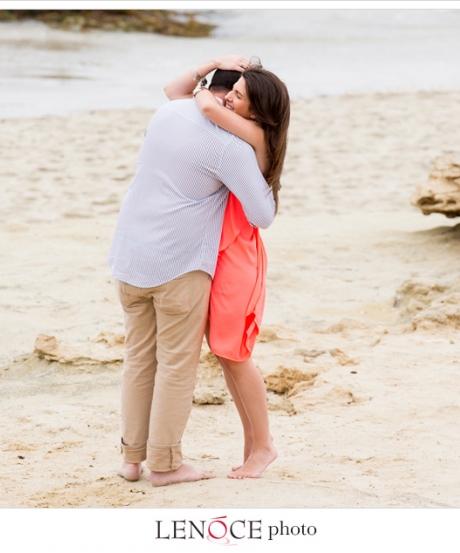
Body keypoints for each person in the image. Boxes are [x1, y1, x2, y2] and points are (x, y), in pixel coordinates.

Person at [108, 55, 277, 487]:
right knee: (175, 366)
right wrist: (260, 152)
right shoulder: (230, 148)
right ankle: (164, 465)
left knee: (138, 359)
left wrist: (210, 65)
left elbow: (174, 90)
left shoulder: (169, 112)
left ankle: (131, 460)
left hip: (128, 254)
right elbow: (262, 215)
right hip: (177, 265)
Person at [164, 58, 291, 479]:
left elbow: (201, 103)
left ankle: (264, 446)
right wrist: (215, 65)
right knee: (226, 354)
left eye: (237, 95)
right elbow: (173, 94)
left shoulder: (257, 134)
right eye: (230, 92)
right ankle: (253, 445)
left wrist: (209, 85)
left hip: (238, 256)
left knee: (236, 356)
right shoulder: (240, 132)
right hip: (220, 253)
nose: (228, 99)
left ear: (257, 110)